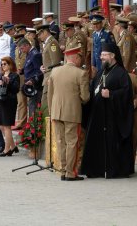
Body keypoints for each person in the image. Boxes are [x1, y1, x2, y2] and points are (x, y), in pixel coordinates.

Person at [81, 43, 134, 179]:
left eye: (104, 55)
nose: (101, 58)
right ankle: (96, 169)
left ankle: (113, 169)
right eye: (101, 55)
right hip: (97, 115)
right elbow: (94, 88)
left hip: (113, 117)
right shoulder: (101, 72)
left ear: (112, 56)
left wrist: (111, 95)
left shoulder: (121, 73)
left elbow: (126, 94)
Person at [48, 46, 90, 180]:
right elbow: (85, 97)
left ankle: (63, 171)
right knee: (72, 142)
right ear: (76, 57)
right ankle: (70, 173)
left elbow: (50, 94)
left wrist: (52, 110)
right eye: (80, 58)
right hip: (72, 113)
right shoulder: (81, 73)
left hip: (56, 112)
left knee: (61, 141)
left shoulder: (55, 71)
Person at [0, 56, 20, 157]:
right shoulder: (1, 75)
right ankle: (13, 147)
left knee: (7, 126)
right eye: (2, 64)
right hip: (1, 101)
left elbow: (16, 89)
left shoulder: (14, 76)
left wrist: (8, 83)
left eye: (5, 64)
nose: (3, 66)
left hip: (10, 102)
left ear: (10, 64)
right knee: (0, 125)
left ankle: (7, 149)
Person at [37, 24, 62, 109]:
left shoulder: (52, 43)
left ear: (44, 32)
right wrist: (42, 67)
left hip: (50, 76)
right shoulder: (48, 43)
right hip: (47, 75)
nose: (39, 37)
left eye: (40, 34)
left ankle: (48, 122)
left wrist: (51, 78)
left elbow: (56, 63)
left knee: (46, 103)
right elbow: (48, 61)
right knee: (45, 102)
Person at [17, 38, 43, 117]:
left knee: (33, 107)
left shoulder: (35, 54)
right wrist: (22, 70)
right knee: (31, 106)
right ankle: (32, 126)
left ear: (27, 45)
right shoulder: (29, 53)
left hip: (35, 85)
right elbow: (30, 66)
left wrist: (32, 81)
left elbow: (39, 71)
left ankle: (33, 127)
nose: (22, 51)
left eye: (22, 48)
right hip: (29, 84)